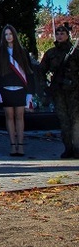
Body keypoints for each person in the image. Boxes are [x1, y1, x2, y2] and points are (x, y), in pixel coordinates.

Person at [0, 24, 36, 156]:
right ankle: (12, 144)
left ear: (14, 35)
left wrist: (30, 92)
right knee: (9, 116)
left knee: (20, 116)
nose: (8, 37)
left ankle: (20, 145)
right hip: (5, 89)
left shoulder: (22, 51)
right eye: (6, 34)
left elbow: (29, 73)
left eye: (10, 34)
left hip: (20, 88)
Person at [39, 24, 77, 158]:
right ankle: (68, 148)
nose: (60, 36)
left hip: (75, 92)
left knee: (76, 121)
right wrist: (45, 87)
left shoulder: (75, 52)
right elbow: (41, 71)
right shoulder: (51, 53)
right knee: (64, 121)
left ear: (68, 35)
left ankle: (77, 148)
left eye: (62, 33)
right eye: (58, 34)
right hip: (58, 92)